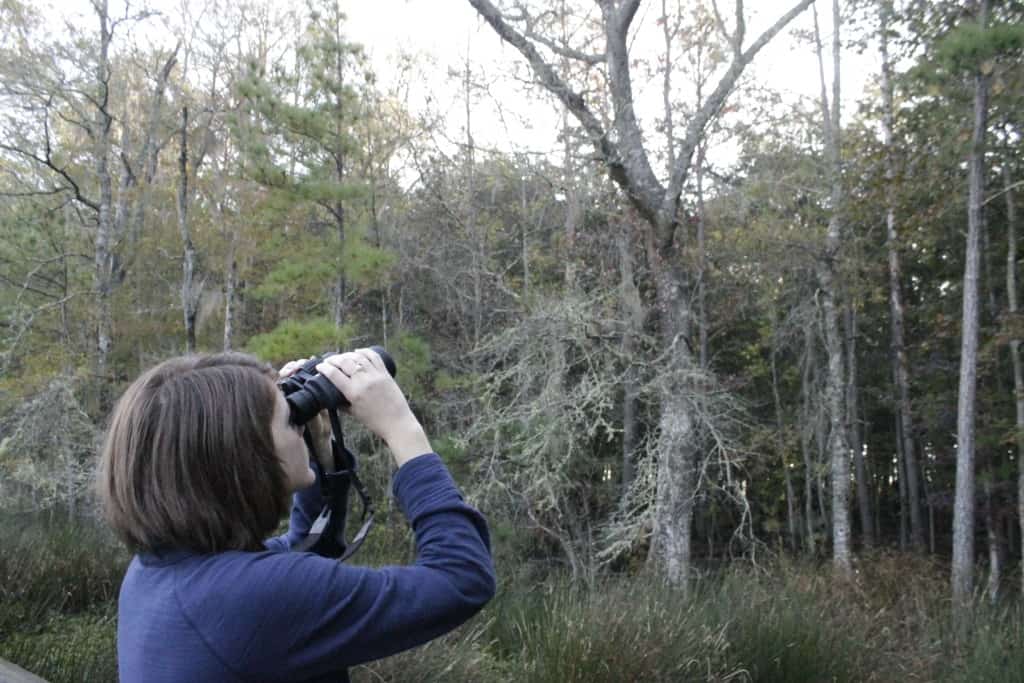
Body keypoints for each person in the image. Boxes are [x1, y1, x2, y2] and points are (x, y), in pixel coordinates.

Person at [97, 348, 495, 683]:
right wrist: (403, 430)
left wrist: (321, 452)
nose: (299, 427)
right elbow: (460, 579)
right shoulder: (253, 596)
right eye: (289, 420)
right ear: (244, 458)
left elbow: (303, 553)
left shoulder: (161, 570)